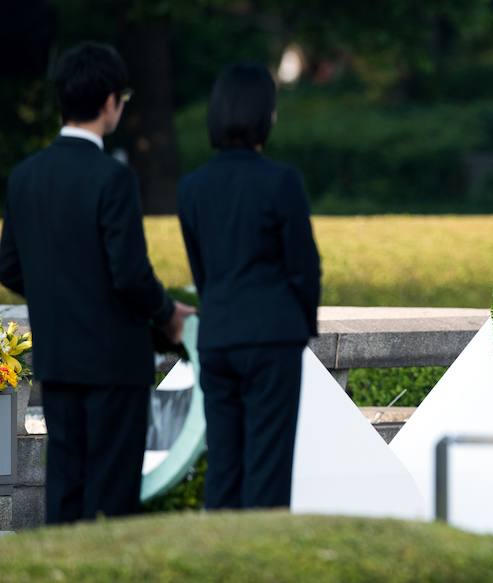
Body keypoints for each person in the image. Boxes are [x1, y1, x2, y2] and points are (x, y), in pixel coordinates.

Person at [0, 42, 194, 524]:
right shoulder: (113, 178)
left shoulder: (24, 177)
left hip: (59, 359)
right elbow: (129, 273)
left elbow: (8, 266)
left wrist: (57, 293)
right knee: (111, 494)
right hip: (113, 362)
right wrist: (168, 314)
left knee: (65, 487)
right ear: (110, 101)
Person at [177, 63, 321, 509]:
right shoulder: (281, 182)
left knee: (224, 464)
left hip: (219, 337)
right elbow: (304, 267)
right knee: (268, 467)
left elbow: (202, 272)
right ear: (266, 116)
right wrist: (300, 322)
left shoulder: (192, 187)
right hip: (272, 337)